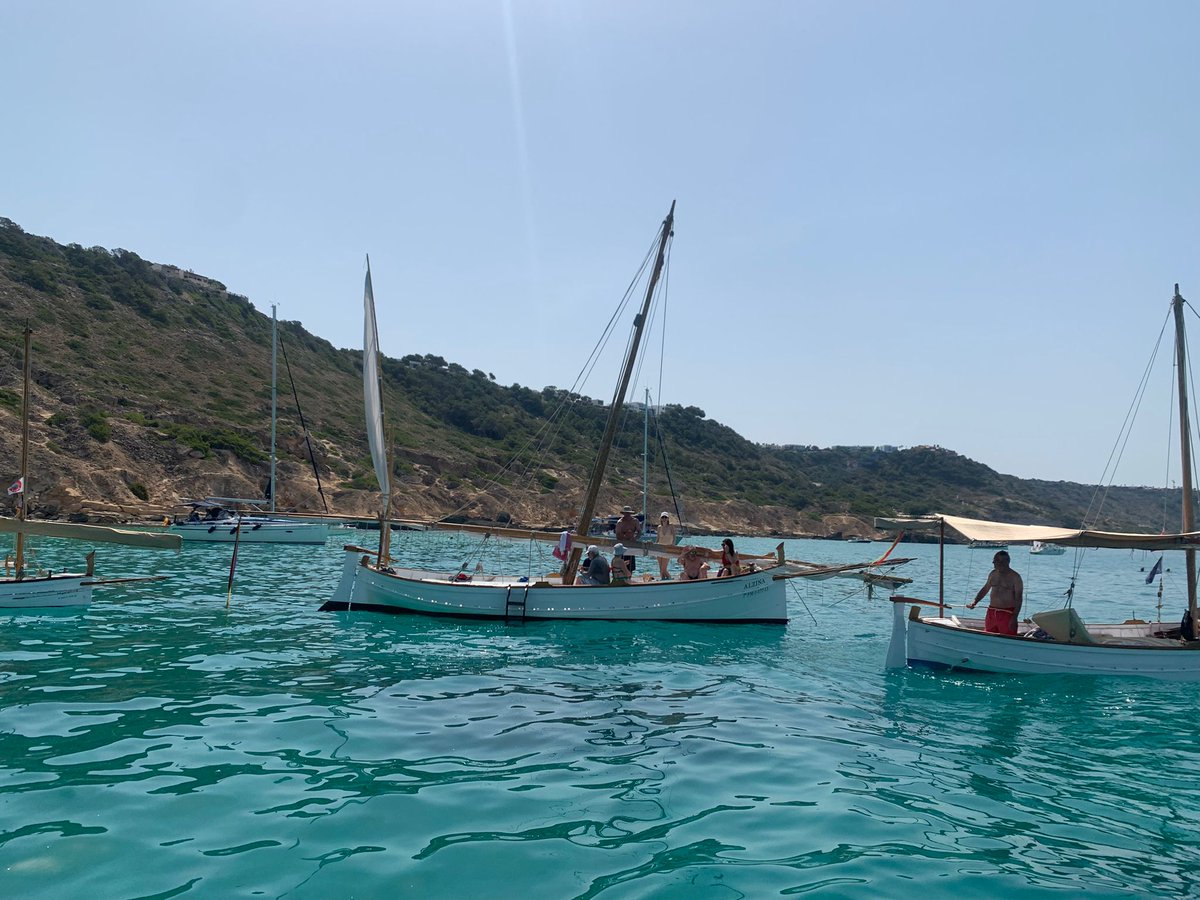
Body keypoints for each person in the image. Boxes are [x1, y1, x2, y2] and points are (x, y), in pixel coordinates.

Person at [968, 550, 1024, 635]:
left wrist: (1014, 618)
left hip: (1007, 613)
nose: (993, 562)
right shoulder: (993, 574)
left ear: (1005, 562)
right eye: (994, 560)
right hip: (991, 612)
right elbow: (985, 589)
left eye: (996, 560)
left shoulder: (1015, 577)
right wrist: (975, 602)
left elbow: (1019, 599)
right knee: (988, 636)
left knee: (1007, 638)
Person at [614, 505, 640, 573]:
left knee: (630, 566)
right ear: (623, 513)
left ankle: (629, 579)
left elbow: (639, 532)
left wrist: (635, 538)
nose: (627, 515)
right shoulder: (620, 522)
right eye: (626, 513)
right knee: (621, 566)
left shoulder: (635, 521)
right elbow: (617, 535)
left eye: (629, 513)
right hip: (622, 546)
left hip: (631, 545)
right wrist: (624, 537)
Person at [656, 512, 678, 580]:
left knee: (663, 568)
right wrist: (653, 546)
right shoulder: (659, 527)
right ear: (661, 518)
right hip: (659, 548)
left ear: (668, 518)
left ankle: (669, 578)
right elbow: (657, 539)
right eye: (663, 517)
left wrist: (673, 545)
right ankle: (662, 579)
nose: (664, 519)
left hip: (667, 549)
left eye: (665, 517)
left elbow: (674, 536)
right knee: (660, 568)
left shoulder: (671, 526)